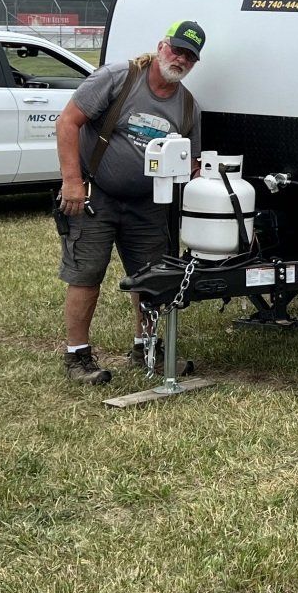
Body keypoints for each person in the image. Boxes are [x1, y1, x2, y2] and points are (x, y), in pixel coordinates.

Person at [54, 19, 205, 385]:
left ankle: (147, 350)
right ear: (161, 46)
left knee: (152, 279)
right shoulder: (119, 78)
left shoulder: (188, 107)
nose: (181, 59)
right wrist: (72, 182)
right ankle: (77, 357)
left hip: (148, 203)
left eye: (190, 56)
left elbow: (192, 162)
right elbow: (67, 122)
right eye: (177, 49)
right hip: (95, 195)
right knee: (86, 274)